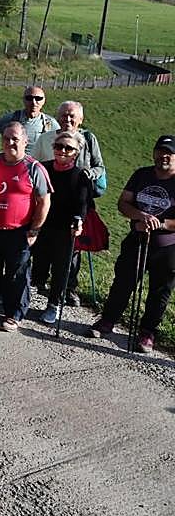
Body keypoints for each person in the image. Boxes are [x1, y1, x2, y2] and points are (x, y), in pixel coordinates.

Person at [88, 135, 175, 353]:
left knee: (159, 292)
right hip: (137, 239)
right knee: (122, 282)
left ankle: (147, 332)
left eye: (169, 153)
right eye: (160, 151)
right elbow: (123, 203)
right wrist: (140, 216)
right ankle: (108, 320)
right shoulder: (142, 174)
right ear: (154, 153)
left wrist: (160, 224)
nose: (163, 156)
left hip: (167, 247)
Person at [0, 122, 51, 331]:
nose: (10, 143)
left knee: (17, 273)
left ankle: (14, 313)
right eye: (6, 138)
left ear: (25, 141)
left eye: (15, 139)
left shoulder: (34, 168)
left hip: (19, 230)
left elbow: (44, 202)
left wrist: (35, 229)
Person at [34, 131, 94, 324]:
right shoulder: (42, 168)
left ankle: (53, 304)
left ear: (76, 152)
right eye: (59, 146)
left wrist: (79, 220)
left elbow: (83, 204)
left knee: (61, 269)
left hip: (65, 229)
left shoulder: (80, 176)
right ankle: (22, 293)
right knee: (37, 263)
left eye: (69, 148)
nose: (63, 151)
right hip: (40, 223)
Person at [33, 101, 107, 195]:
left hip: (78, 191)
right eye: (64, 115)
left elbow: (99, 167)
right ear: (57, 118)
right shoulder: (44, 138)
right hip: (50, 192)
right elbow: (34, 165)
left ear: (81, 119)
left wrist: (86, 174)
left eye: (72, 116)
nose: (67, 119)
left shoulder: (88, 138)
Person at [0, 86, 58, 157]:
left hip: (38, 162)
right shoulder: (10, 118)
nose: (34, 102)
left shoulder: (50, 123)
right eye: (29, 98)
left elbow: (62, 141)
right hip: (13, 161)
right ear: (24, 100)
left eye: (38, 99)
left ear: (44, 101)